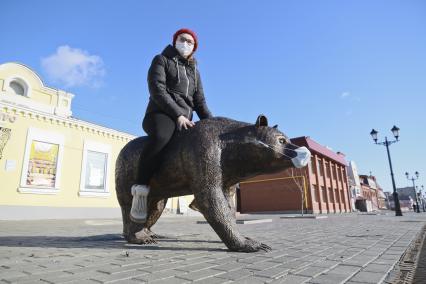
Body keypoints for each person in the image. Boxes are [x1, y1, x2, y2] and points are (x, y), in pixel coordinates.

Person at [130, 28, 213, 223]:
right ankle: (140, 191)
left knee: (206, 147)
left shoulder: (194, 71)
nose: (186, 44)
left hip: (186, 119)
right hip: (160, 113)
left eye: (190, 42)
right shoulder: (161, 60)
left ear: (194, 48)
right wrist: (177, 114)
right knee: (161, 137)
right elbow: (157, 89)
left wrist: (213, 125)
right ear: (175, 41)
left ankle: (201, 199)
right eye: (182, 39)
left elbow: (200, 102)